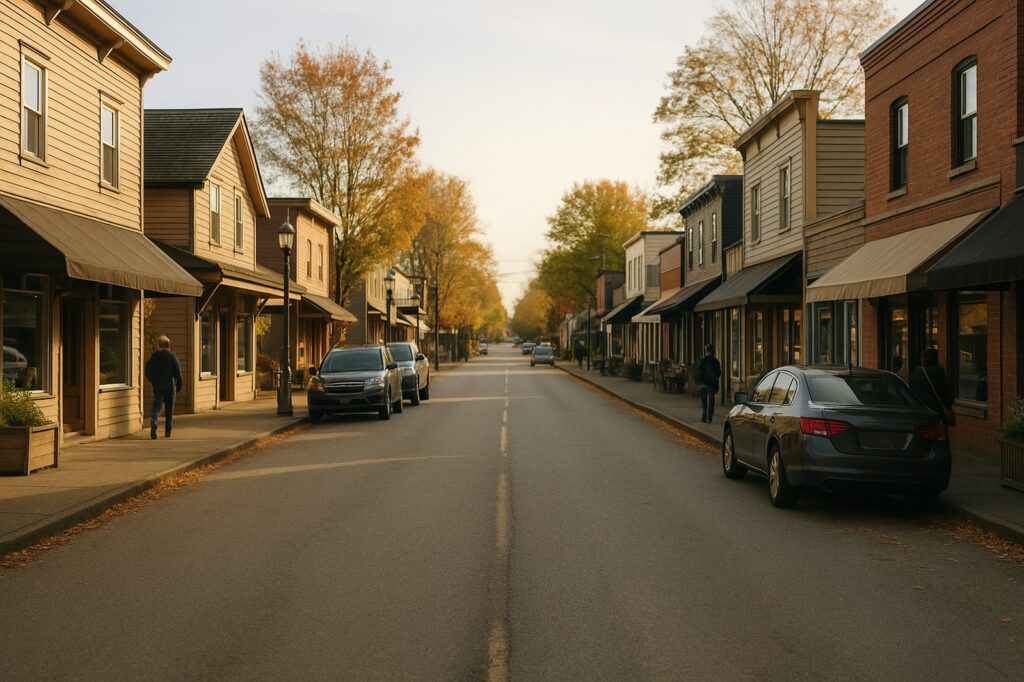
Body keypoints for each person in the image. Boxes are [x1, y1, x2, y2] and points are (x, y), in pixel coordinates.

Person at [145, 335, 183, 440]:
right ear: (168, 345)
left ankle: (154, 418)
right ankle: (168, 431)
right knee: (169, 409)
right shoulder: (172, 356)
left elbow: (147, 370)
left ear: (159, 345)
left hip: (157, 385)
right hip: (170, 387)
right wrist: (179, 385)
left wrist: (152, 380)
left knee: (157, 403)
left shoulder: (154, 356)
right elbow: (178, 373)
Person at [910, 347, 954, 426]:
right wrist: (948, 405)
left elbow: (912, 390)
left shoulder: (917, 371)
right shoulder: (938, 371)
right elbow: (943, 390)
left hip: (920, 407)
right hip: (935, 408)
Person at [696, 343, 722, 424]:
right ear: (713, 351)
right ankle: (709, 417)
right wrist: (715, 379)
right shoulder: (715, 361)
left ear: (706, 350)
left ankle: (704, 416)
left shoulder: (703, 360)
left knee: (704, 402)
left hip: (704, 384)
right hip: (712, 384)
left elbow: (699, 371)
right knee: (711, 402)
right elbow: (719, 372)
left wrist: (700, 381)